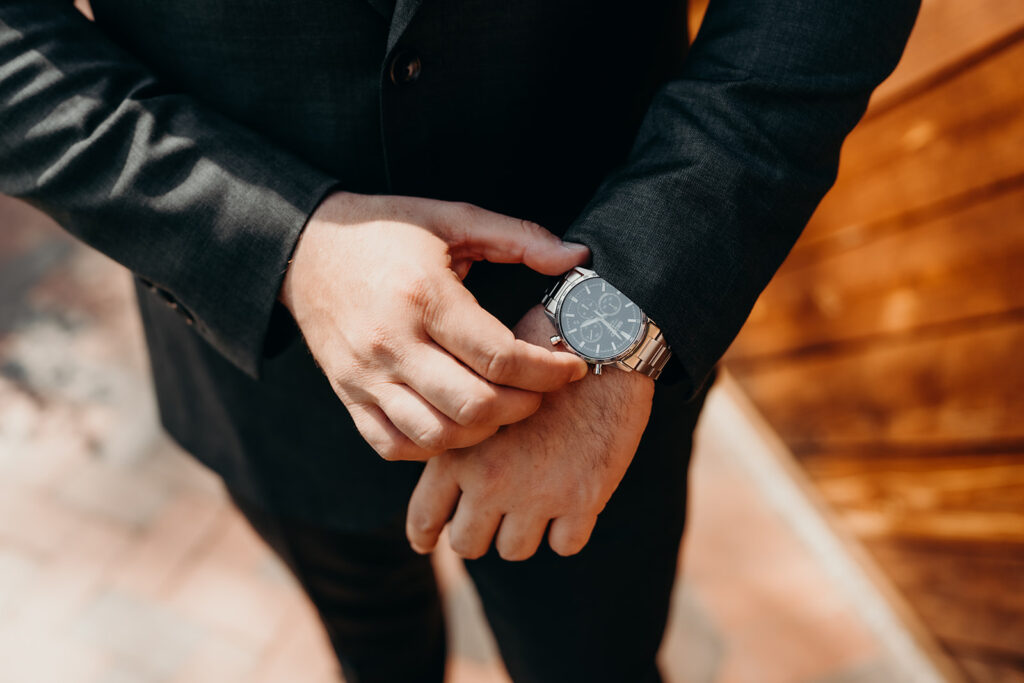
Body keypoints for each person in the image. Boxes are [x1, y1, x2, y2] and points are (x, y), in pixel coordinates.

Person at [0, 1, 919, 681]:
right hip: (267, 367)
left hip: (595, 339)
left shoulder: (612, 334)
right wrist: (284, 242)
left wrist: (620, 313)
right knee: (371, 644)